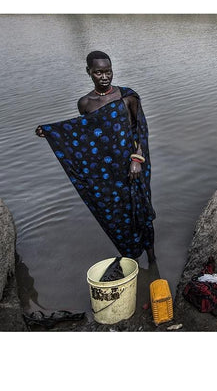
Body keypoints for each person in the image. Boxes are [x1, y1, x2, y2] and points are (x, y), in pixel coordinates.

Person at [35, 51, 156, 262]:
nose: (104, 76)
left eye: (107, 71)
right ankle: (131, 259)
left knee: (142, 211)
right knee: (117, 215)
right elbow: (84, 136)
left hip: (132, 166)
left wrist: (137, 159)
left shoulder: (127, 97)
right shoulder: (85, 104)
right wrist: (52, 133)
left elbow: (141, 132)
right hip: (107, 172)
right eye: (98, 72)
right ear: (89, 72)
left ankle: (153, 261)